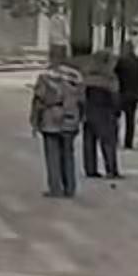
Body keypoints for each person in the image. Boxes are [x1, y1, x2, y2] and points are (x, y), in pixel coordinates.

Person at [30, 42, 84, 197]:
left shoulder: (46, 76)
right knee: (68, 154)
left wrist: (35, 120)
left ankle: (56, 188)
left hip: (51, 119)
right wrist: (80, 117)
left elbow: (39, 100)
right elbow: (82, 100)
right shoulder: (76, 76)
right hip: (71, 119)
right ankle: (70, 187)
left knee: (52, 155)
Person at [82, 51, 121, 180]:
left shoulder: (87, 77)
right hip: (106, 113)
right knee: (108, 142)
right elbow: (115, 98)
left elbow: (81, 96)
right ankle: (111, 169)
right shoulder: (109, 78)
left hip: (89, 112)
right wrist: (117, 111)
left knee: (89, 142)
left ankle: (90, 168)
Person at [115, 40, 138, 150]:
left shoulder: (121, 61)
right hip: (134, 93)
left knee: (116, 117)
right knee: (130, 119)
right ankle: (129, 141)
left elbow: (116, 76)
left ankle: (115, 138)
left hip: (122, 92)